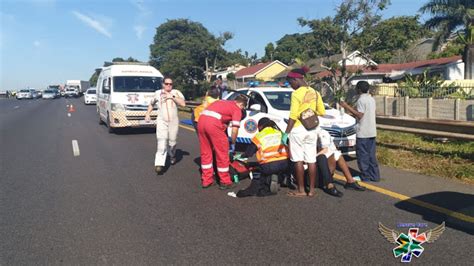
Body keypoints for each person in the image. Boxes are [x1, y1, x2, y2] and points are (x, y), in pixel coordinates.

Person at [283, 67, 326, 197]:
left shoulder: (296, 94)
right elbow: (322, 112)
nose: (291, 86)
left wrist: (286, 133)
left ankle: (301, 190)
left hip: (297, 129)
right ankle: (311, 191)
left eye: (291, 83)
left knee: (298, 160)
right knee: (311, 160)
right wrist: (309, 112)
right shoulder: (315, 92)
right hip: (312, 129)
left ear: (296, 79)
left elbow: (293, 115)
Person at [197, 94, 248, 189]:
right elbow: (235, 129)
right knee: (222, 153)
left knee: (206, 152)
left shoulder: (221, 102)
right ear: (241, 104)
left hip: (201, 122)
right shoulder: (237, 109)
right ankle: (225, 181)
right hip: (213, 124)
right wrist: (232, 142)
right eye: (243, 107)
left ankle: (207, 180)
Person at [235, 118, 289, 197]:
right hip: (284, 164)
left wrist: (240, 156)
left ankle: (266, 187)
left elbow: (249, 153)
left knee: (260, 173)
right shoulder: (279, 132)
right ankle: (280, 178)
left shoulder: (259, 136)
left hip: (268, 165)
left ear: (260, 127)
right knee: (276, 169)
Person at [340, 81, 381, 182]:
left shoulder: (361, 100)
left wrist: (346, 106)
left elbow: (360, 115)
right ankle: (375, 176)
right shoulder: (371, 99)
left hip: (363, 132)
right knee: (371, 155)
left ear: (358, 89)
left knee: (362, 156)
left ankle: (365, 176)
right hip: (371, 131)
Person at [145, 77, 186, 174]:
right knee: (161, 141)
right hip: (161, 120)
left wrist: (172, 96)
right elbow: (151, 104)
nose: (169, 85)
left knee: (172, 141)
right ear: (163, 84)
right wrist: (147, 114)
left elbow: (183, 104)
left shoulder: (176, 92)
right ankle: (159, 164)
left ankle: (172, 155)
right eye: (167, 83)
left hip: (173, 121)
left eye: (170, 84)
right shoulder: (157, 93)